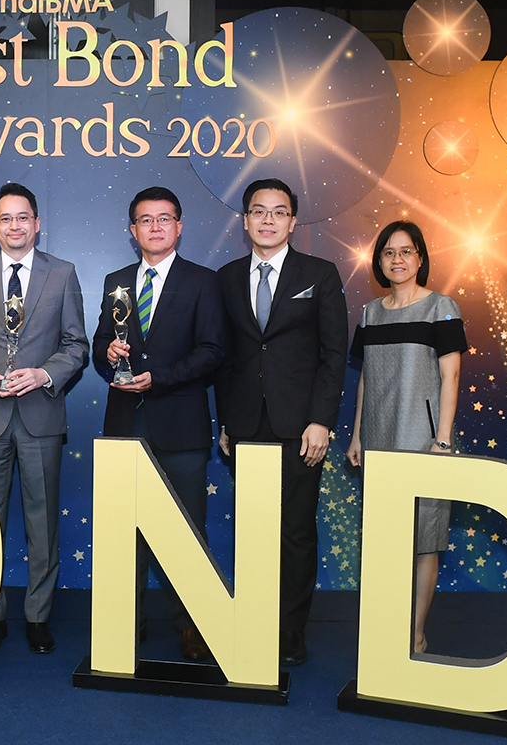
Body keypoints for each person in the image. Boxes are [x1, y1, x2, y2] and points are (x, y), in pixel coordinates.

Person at [0, 182, 89, 655]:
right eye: (5, 218)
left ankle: (38, 616)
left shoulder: (62, 273)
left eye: (23, 217)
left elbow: (77, 345)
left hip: (40, 417)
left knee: (42, 522)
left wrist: (45, 374)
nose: (15, 226)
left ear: (37, 223)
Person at [216, 178, 348, 667]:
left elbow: (333, 355)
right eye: (258, 211)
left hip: (300, 428)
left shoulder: (320, 274)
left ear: (292, 221)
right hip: (246, 425)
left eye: (278, 212)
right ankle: (254, 619)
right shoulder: (227, 278)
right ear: (245, 220)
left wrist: (321, 421)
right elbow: (225, 357)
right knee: (254, 529)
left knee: (295, 531)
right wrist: (226, 421)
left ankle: (290, 630)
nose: (267, 219)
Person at [92, 187, 226, 661]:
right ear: (133, 230)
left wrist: (160, 378)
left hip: (181, 426)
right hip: (125, 424)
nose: (155, 227)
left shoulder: (203, 281)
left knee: (187, 529)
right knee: (124, 529)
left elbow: (213, 351)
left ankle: (193, 623)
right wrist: (109, 354)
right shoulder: (116, 281)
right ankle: (128, 620)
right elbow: (99, 347)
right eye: (145, 220)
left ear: (179, 226)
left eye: (164, 218)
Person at [345, 220, 465, 654]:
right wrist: (357, 435)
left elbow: (451, 376)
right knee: (386, 536)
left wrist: (443, 440)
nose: (397, 259)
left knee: (423, 540)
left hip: (424, 440)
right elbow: (365, 379)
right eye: (388, 252)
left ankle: (415, 633)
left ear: (420, 258)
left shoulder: (441, 307)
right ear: (379, 261)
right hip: (378, 439)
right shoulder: (369, 313)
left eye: (406, 251)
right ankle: (388, 626)